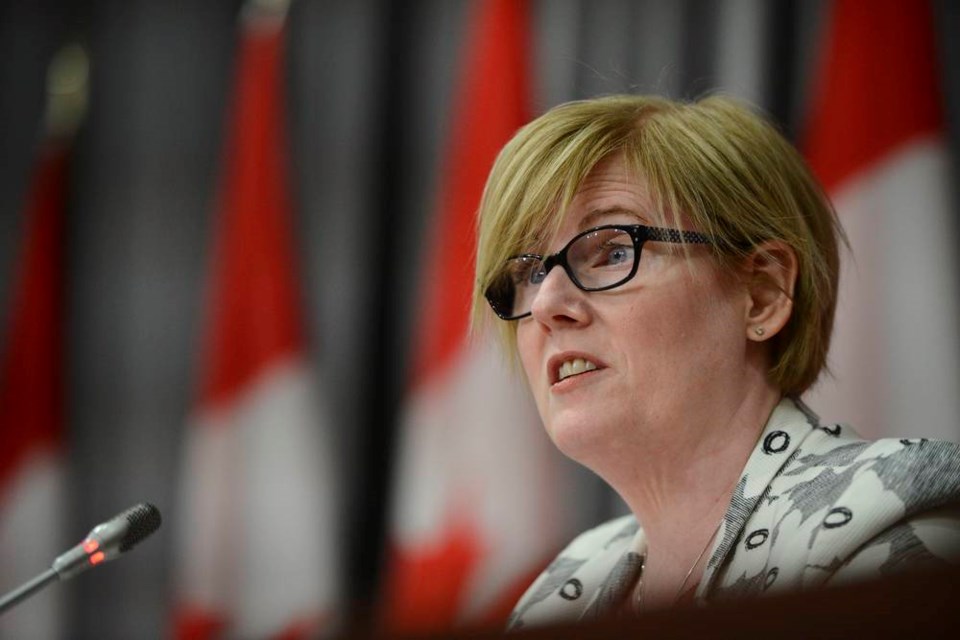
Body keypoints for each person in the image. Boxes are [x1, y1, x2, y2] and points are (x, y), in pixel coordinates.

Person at [470, 94, 960, 629]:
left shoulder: (893, 528)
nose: (545, 305)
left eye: (612, 250)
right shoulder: (562, 593)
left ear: (763, 294)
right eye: (531, 273)